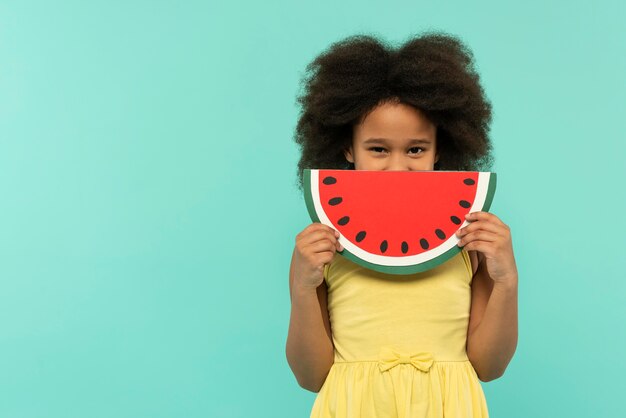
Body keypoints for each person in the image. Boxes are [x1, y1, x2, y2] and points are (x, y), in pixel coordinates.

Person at [285, 32, 518, 418]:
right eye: (378, 149)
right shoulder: (322, 246)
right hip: (353, 406)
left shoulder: (470, 242)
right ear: (347, 149)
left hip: (448, 406)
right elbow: (310, 377)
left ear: (439, 149)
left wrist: (507, 280)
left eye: (416, 149)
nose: (397, 167)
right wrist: (302, 287)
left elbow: (489, 368)